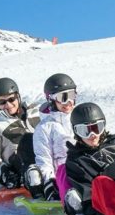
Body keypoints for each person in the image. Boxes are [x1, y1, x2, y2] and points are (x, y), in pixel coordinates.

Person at [0, 77, 41, 190]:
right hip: (19, 164)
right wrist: (4, 171)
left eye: (12, 99)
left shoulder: (36, 111)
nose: (8, 104)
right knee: (27, 141)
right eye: (2, 102)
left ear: (18, 97)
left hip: (46, 157)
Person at [26, 73, 77, 201]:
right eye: (63, 97)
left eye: (71, 95)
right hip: (62, 177)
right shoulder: (44, 128)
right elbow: (44, 160)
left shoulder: (79, 119)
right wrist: (50, 183)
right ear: (51, 99)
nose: (69, 102)